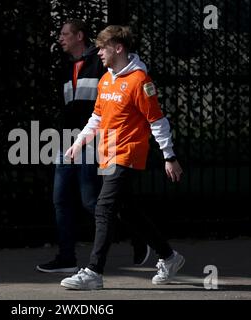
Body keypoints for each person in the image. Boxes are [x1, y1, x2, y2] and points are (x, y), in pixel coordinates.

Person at [60, 25, 185, 289]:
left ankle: (94, 272)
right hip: (107, 154)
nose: (99, 54)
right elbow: (96, 117)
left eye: (103, 48)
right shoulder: (106, 80)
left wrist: (169, 155)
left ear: (118, 48)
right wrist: (79, 143)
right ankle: (169, 257)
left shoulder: (140, 81)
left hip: (127, 153)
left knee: (104, 207)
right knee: (127, 211)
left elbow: (157, 121)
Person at [36, 20, 151, 273]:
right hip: (69, 141)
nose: (60, 38)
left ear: (80, 36)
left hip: (97, 141)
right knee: (61, 199)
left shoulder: (102, 61)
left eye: (65, 34)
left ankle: (140, 236)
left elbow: (128, 72)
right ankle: (66, 257)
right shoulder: (67, 68)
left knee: (93, 202)